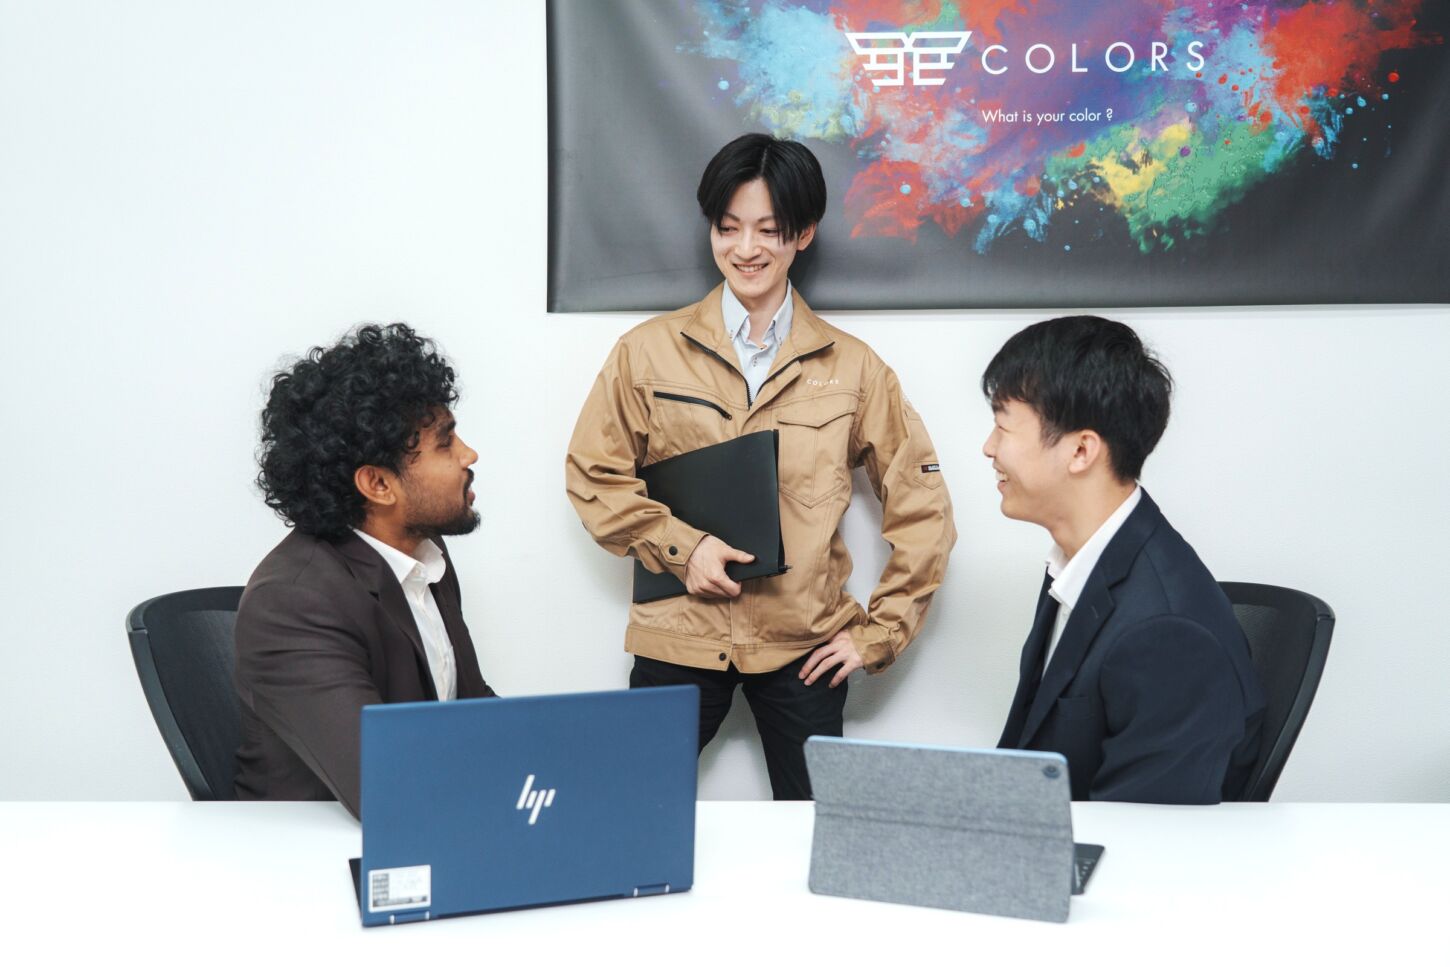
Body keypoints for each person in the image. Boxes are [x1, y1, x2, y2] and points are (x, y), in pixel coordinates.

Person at [566, 133, 956, 800]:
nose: (745, 248)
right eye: (728, 228)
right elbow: (593, 474)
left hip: (804, 647)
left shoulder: (854, 368)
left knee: (819, 830)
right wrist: (681, 548)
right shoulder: (646, 352)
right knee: (625, 812)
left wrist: (879, 634)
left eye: (768, 230)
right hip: (679, 639)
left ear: (803, 233)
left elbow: (923, 508)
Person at [983, 316, 1264, 804]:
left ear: (1081, 450)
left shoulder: (1169, 634)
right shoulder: (1078, 562)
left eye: (1003, 426)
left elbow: (1146, 833)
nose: (989, 448)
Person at [234, 323, 495, 816]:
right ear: (378, 484)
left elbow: (471, 708)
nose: (469, 455)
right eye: (445, 443)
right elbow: (386, 783)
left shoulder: (423, 554)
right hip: (312, 851)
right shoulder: (292, 602)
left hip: (431, 822)